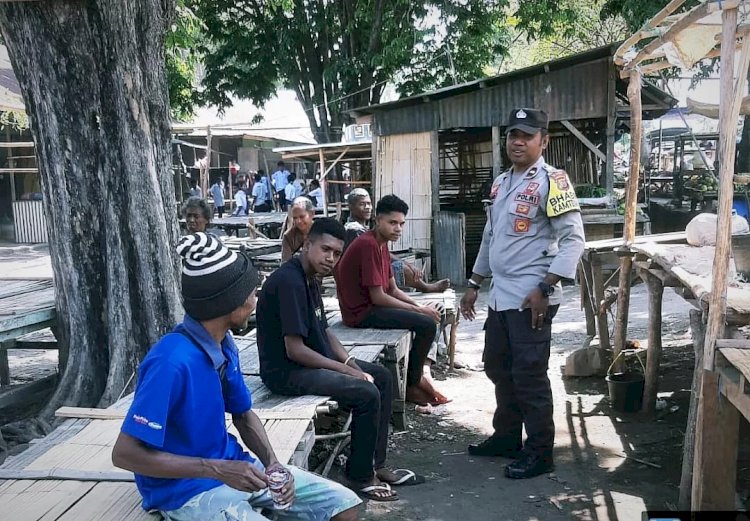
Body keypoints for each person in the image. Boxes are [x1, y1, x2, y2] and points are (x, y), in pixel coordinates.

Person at [111, 233, 361, 520]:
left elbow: (243, 415)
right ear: (231, 302)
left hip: (233, 466)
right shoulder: (170, 362)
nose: (256, 299)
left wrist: (273, 464)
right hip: (185, 490)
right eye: (252, 292)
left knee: (344, 506)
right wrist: (215, 468)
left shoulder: (224, 345)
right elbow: (124, 454)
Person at [257, 218, 424, 502]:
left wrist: (351, 364)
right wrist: (347, 373)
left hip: (308, 362)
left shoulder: (309, 277)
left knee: (381, 376)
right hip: (286, 372)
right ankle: (359, 476)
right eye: (325, 250)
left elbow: (324, 331)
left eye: (336, 253)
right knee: (366, 393)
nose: (331, 258)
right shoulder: (289, 281)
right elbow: (294, 350)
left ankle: (376, 465)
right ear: (307, 244)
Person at [460, 108, 585, 480]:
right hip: (500, 296)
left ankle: (540, 451)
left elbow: (574, 241)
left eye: (527, 136)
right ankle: (507, 437)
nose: (517, 141)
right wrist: (473, 284)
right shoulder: (501, 182)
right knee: (499, 367)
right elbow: (490, 236)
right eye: (513, 135)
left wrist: (546, 287)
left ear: (543, 141)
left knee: (529, 376)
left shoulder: (554, 181)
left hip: (532, 297)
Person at [334, 194, 448, 407]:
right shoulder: (367, 244)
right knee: (425, 324)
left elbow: (393, 289)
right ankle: (412, 386)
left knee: (427, 315)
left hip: (372, 307)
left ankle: (416, 379)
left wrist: (419, 306)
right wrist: (421, 313)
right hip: (359, 313)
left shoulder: (381, 244)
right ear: (377, 220)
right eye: (392, 223)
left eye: (401, 224)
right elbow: (378, 296)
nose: (398, 228)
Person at [344, 188, 451, 293]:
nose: (367, 207)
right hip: (358, 279)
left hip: (370, 280)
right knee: (401, 268)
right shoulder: (354, 230)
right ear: (351, 207)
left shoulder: (367, 231)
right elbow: (378, 297)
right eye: (362, 204)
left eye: (369, 203)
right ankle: (426, 288)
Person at [281, 197, 315, 262]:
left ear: (312, 214)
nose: (298, 221)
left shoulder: (321, 232)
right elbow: (285, 263)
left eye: (302, 217)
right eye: (295, 218)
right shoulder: (289, 236)